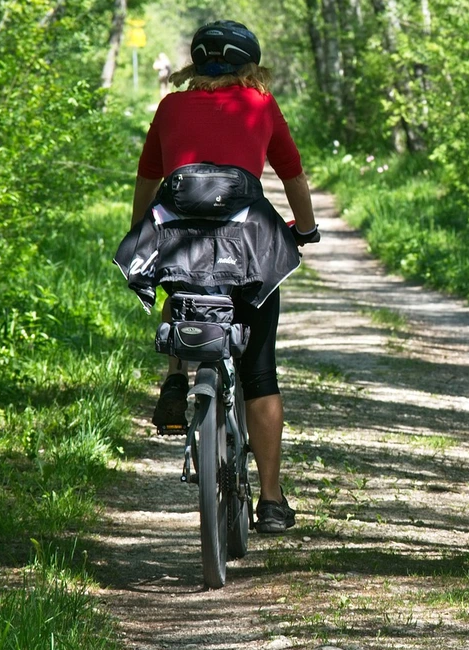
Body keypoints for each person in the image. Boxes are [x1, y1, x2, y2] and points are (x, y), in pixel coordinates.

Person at [129, 21, 321, 534]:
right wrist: (306, 230)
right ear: (249, 66)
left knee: (178, 278)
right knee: (260, 372)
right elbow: (292, 174)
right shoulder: (260, 104)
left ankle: (175, 375)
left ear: (195, 64)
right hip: (247, 243)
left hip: (180, 237)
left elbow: (149, 179)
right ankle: (273, 501)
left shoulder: (170, 106)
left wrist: (139, 233)